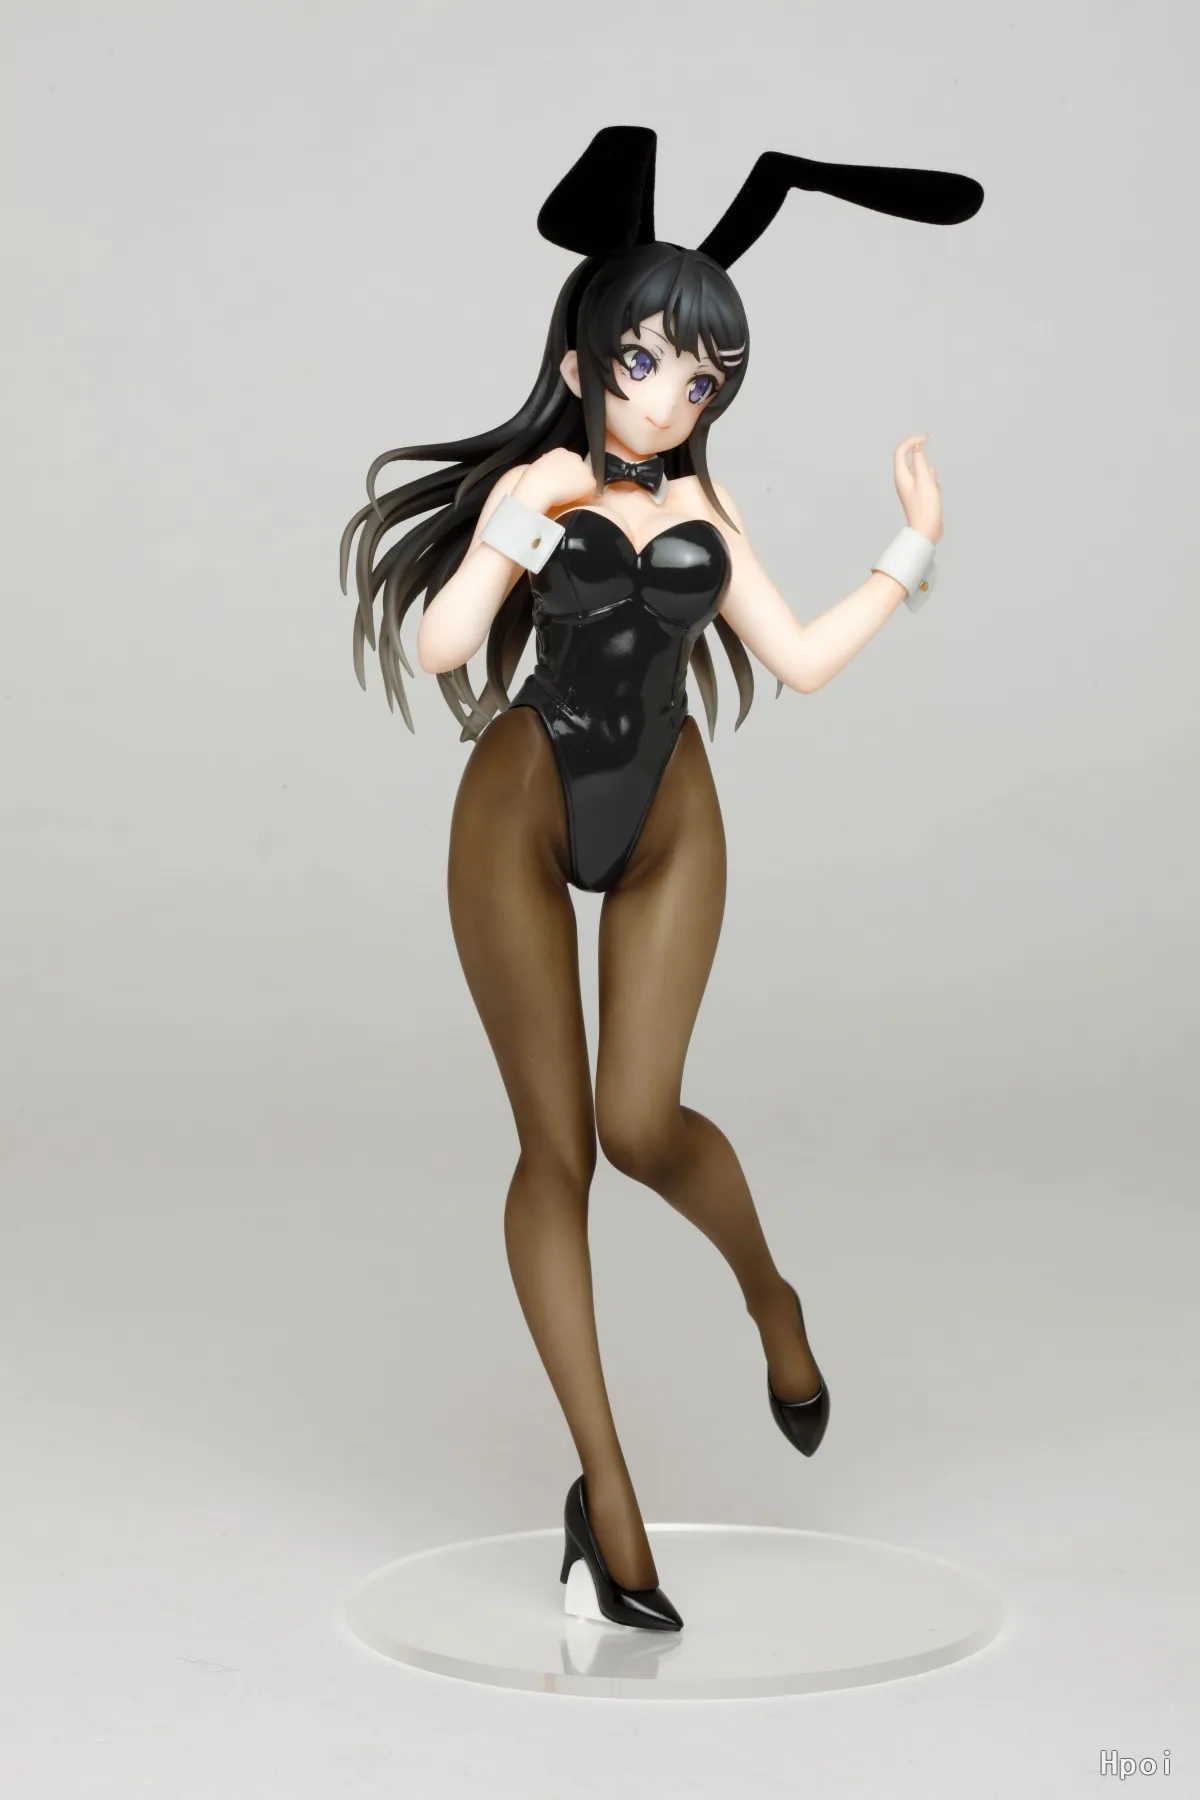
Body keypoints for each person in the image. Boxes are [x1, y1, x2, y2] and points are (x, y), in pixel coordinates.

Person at [339, 127, 982, 1632]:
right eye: (646, 365)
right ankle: (607, 1495)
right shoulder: (544, 478)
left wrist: (911, 549)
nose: (672, 399)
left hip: (668, 803)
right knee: (557, 1152)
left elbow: (799, 661)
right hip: (525, 796)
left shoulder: (708, 507)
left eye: (703, 382)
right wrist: (511, 529)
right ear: (581, 362)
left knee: (643, 1123)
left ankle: (772, 1297)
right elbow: (442, 647)